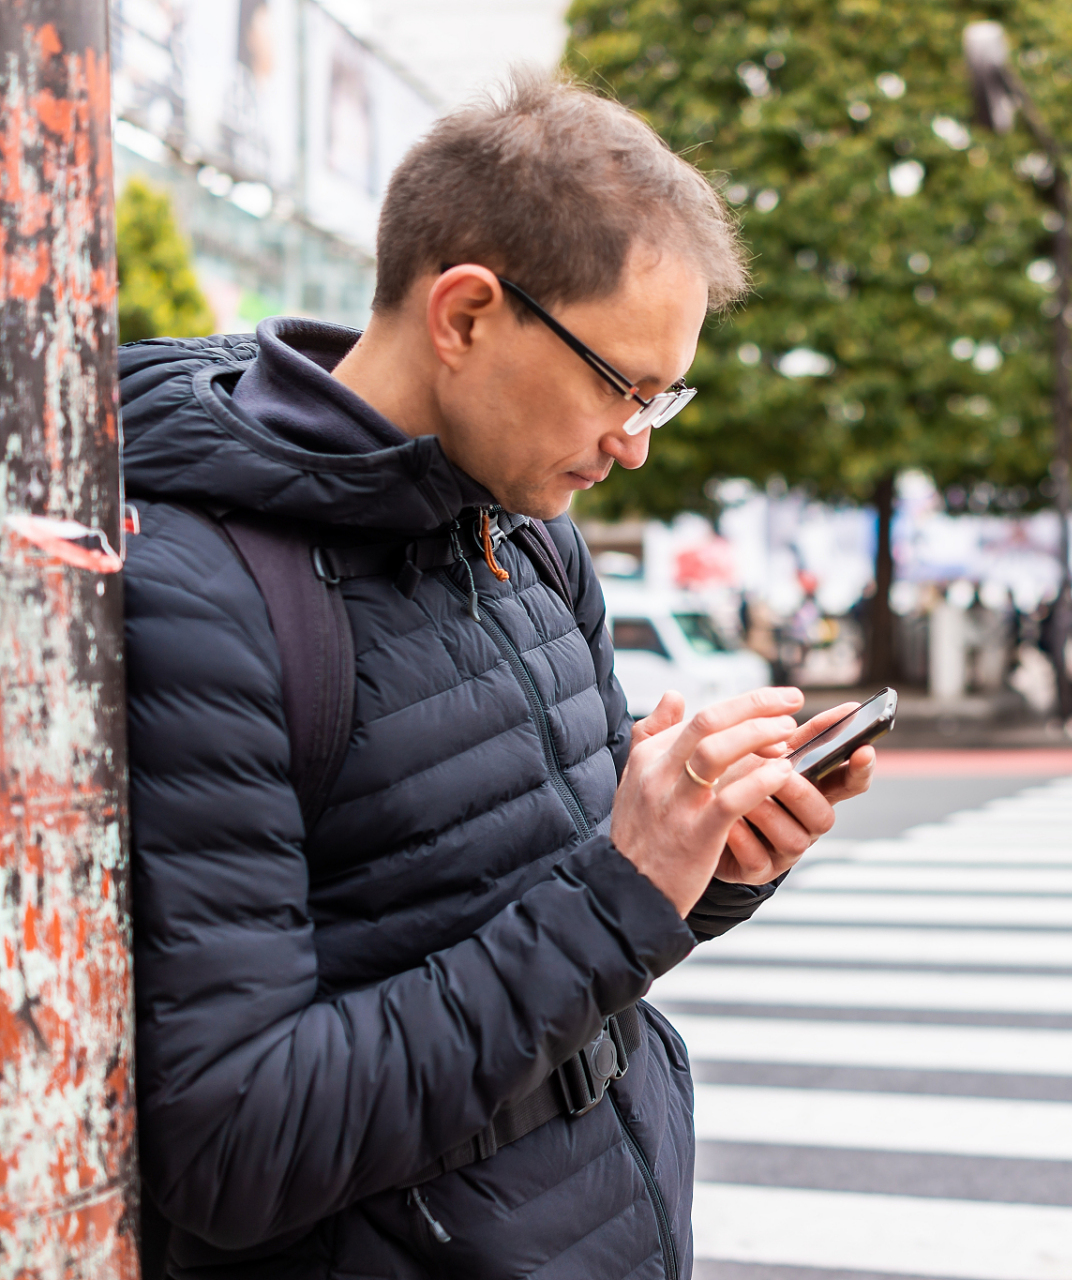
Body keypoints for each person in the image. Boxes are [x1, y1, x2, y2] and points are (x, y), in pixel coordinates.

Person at [120, 74, 876, 1280]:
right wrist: (627, 883)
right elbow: (235, 1143)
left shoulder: (528, 532)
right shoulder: (202, 594)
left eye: (661, 396)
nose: (636, 439)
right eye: (622, 384)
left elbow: (566, 921)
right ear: (465, 314)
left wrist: (706, 864)